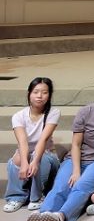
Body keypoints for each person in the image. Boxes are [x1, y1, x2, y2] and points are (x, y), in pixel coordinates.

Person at [27, 75, 94, 221]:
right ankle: (43, 214)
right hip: (77, 158)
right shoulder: (85, 112)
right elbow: (76, 144)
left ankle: (61, 217)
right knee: (61, 184)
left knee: (82, 185)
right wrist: (76, 170)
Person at [4, 78, 60, 213]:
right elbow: (22, 142)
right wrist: (24, 162)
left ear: (49, 95)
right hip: (27, 152)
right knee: (16, 159)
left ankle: (37, 197)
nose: (40, 96)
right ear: (29, 93)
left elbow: (43, 139)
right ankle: (17, 197)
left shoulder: (53, 112)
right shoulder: (19, 116)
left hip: (47, 156)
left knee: (38, 157)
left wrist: (34, 161)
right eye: (36, 92)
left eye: (44, 92)